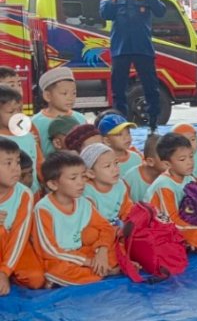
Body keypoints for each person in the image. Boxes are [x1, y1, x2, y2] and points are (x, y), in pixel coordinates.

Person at [99, 0, 166, 132]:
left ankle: (153, 124)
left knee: (151, 87)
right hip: (120, 47)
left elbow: (160, 11)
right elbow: (105, 14)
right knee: (118, 89)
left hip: (142, 46)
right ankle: (121, 125)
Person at [33, 151, 120, 286]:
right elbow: (49, 250)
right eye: (73, 178)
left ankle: (97, 271)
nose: (81, 183)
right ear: (53, 185)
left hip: (81, 252)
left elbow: (106, 227)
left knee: (116, 250)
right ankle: (101, 271)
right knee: (58, 270)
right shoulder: (44, 209)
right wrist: (89, 262)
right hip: (58, 258)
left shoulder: (83, 203)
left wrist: (102, 252)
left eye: (83, 177)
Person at [0, 138, 45, 295]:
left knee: (36, 279)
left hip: (13, 244)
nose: (16, 169)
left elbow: (20, 235)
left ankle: (9, 271)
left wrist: (4, 272)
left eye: (17, 162)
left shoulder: (24, 194)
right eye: (8, 163)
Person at [32, 67, 87, 157]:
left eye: (74, 93)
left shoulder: (81, 119)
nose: (70, 98)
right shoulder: (35, 123)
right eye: (64, 93)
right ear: (47, 96)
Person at [0, 86, 43, 194]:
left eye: (19, 110)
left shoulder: (28, 136)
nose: (17, 115)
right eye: (10, 112)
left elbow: (39, 163)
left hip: (33, 192)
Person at [81, 143, 133, 226]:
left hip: (117, 227)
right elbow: (92, 223)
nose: (115, 169)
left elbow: (127, 209)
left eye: (116, 163)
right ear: (91, 173)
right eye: (107, 166)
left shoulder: (120, 185)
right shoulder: (86, 192)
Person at [123, 134, 166, 202]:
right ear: (150, 161)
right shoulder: (130, 178)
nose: (171, 159)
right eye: (165, 157)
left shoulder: (169, 176)